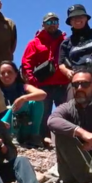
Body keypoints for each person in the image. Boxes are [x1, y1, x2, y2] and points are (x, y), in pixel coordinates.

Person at [21, 12, 68, 144]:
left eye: (54, 22)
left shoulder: (65, 41)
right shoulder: (34, 43)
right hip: (43, 85)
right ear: (43, 24)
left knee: (65, 112)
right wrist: (33, 81)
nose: (52, 25)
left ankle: (65, 140)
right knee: (43, 114)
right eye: (48, 22)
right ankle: (41, 139)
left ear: (58, 24)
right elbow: (26, 63)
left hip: (62, 84)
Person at [0, 61, 47, 148]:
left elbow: (43, 94)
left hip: (24, 127)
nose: (6, 75)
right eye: (2, 73)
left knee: (36, 101)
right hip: (5, 127)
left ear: (16, 74)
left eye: (9, 72)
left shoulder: (23, 87)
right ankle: (12, 137)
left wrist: (23, 98)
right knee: (18, 104)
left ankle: (34, 136)